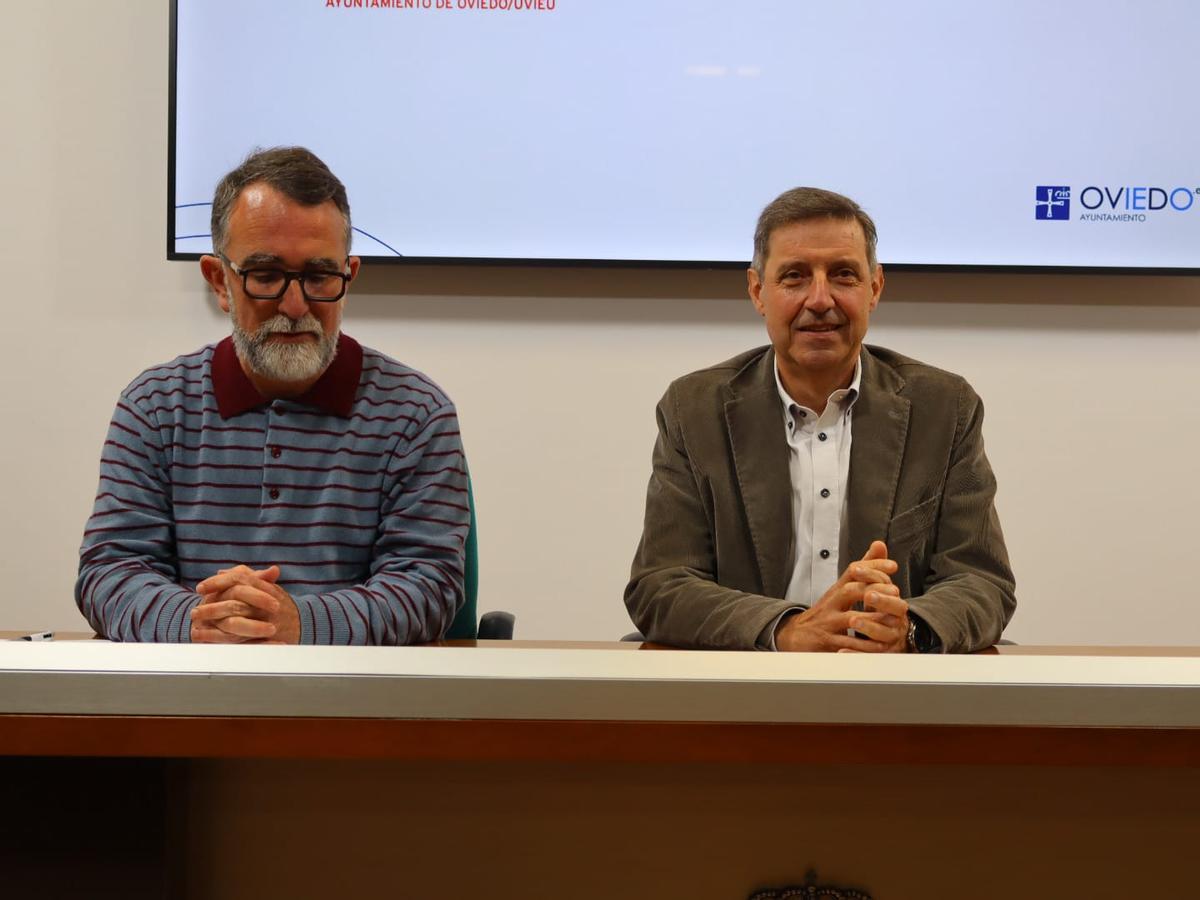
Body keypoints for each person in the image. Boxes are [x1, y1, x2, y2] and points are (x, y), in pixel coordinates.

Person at [76, 147, 469, 644]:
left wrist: (300, 624)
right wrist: (196, 622)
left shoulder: (416, 414)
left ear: (348, 278)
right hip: (188, 696)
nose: (294, 304)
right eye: (266, 275)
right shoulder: (153, 406)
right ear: (220, 281)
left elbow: (428, 585)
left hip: (354, 704)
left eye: (319, 276)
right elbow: (108, 571)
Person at [625, 187, 1015, 652]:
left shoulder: (944, 407)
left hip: (890, 691)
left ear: (874, 289)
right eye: (794, 277)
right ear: (757, 292)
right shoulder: (694, 409)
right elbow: (660, 584)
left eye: (843, 275)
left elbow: (982, 581)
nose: (819, 298)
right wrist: (788, 630)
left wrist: (908, 629)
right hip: (746, 688)